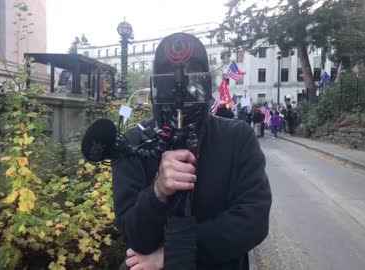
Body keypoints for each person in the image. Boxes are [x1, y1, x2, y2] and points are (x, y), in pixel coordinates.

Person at [112, 33, 271, 270]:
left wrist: (174, 253)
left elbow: (253, 221)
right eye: (169, 79)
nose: (181, 88)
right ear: (157, 83)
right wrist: (157, 192)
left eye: (192, 76)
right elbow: (135, 236)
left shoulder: (237, 137)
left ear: (205, 83)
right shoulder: (134, 143)